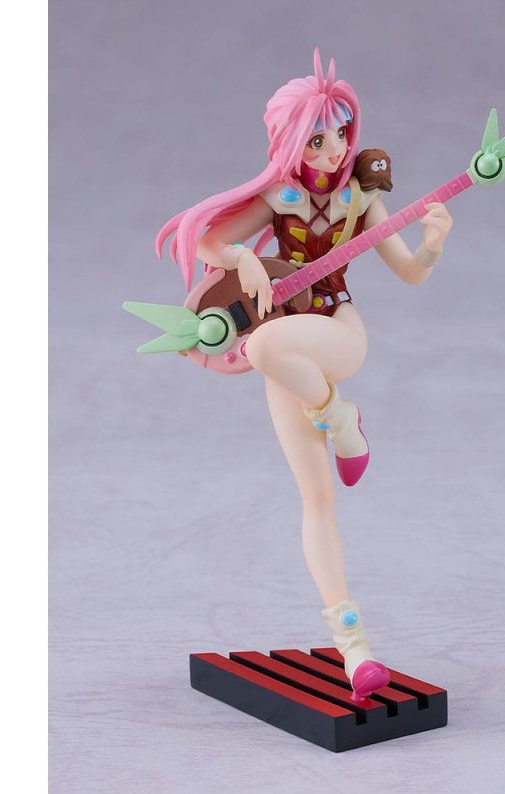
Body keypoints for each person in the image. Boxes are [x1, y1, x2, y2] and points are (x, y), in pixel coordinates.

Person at [156, 49, 453, 701]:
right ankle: (355, 650)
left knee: (263, 346)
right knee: (316, 500)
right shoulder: (279, 197)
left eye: (340, 133)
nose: (334, 148)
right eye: (317, 138)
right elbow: (208, 240)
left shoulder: (361, 199)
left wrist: (432, 242)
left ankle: (343, 420)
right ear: (291, 142)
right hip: (287, 353)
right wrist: (244, 258)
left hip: (337, 332)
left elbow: (409, 271)